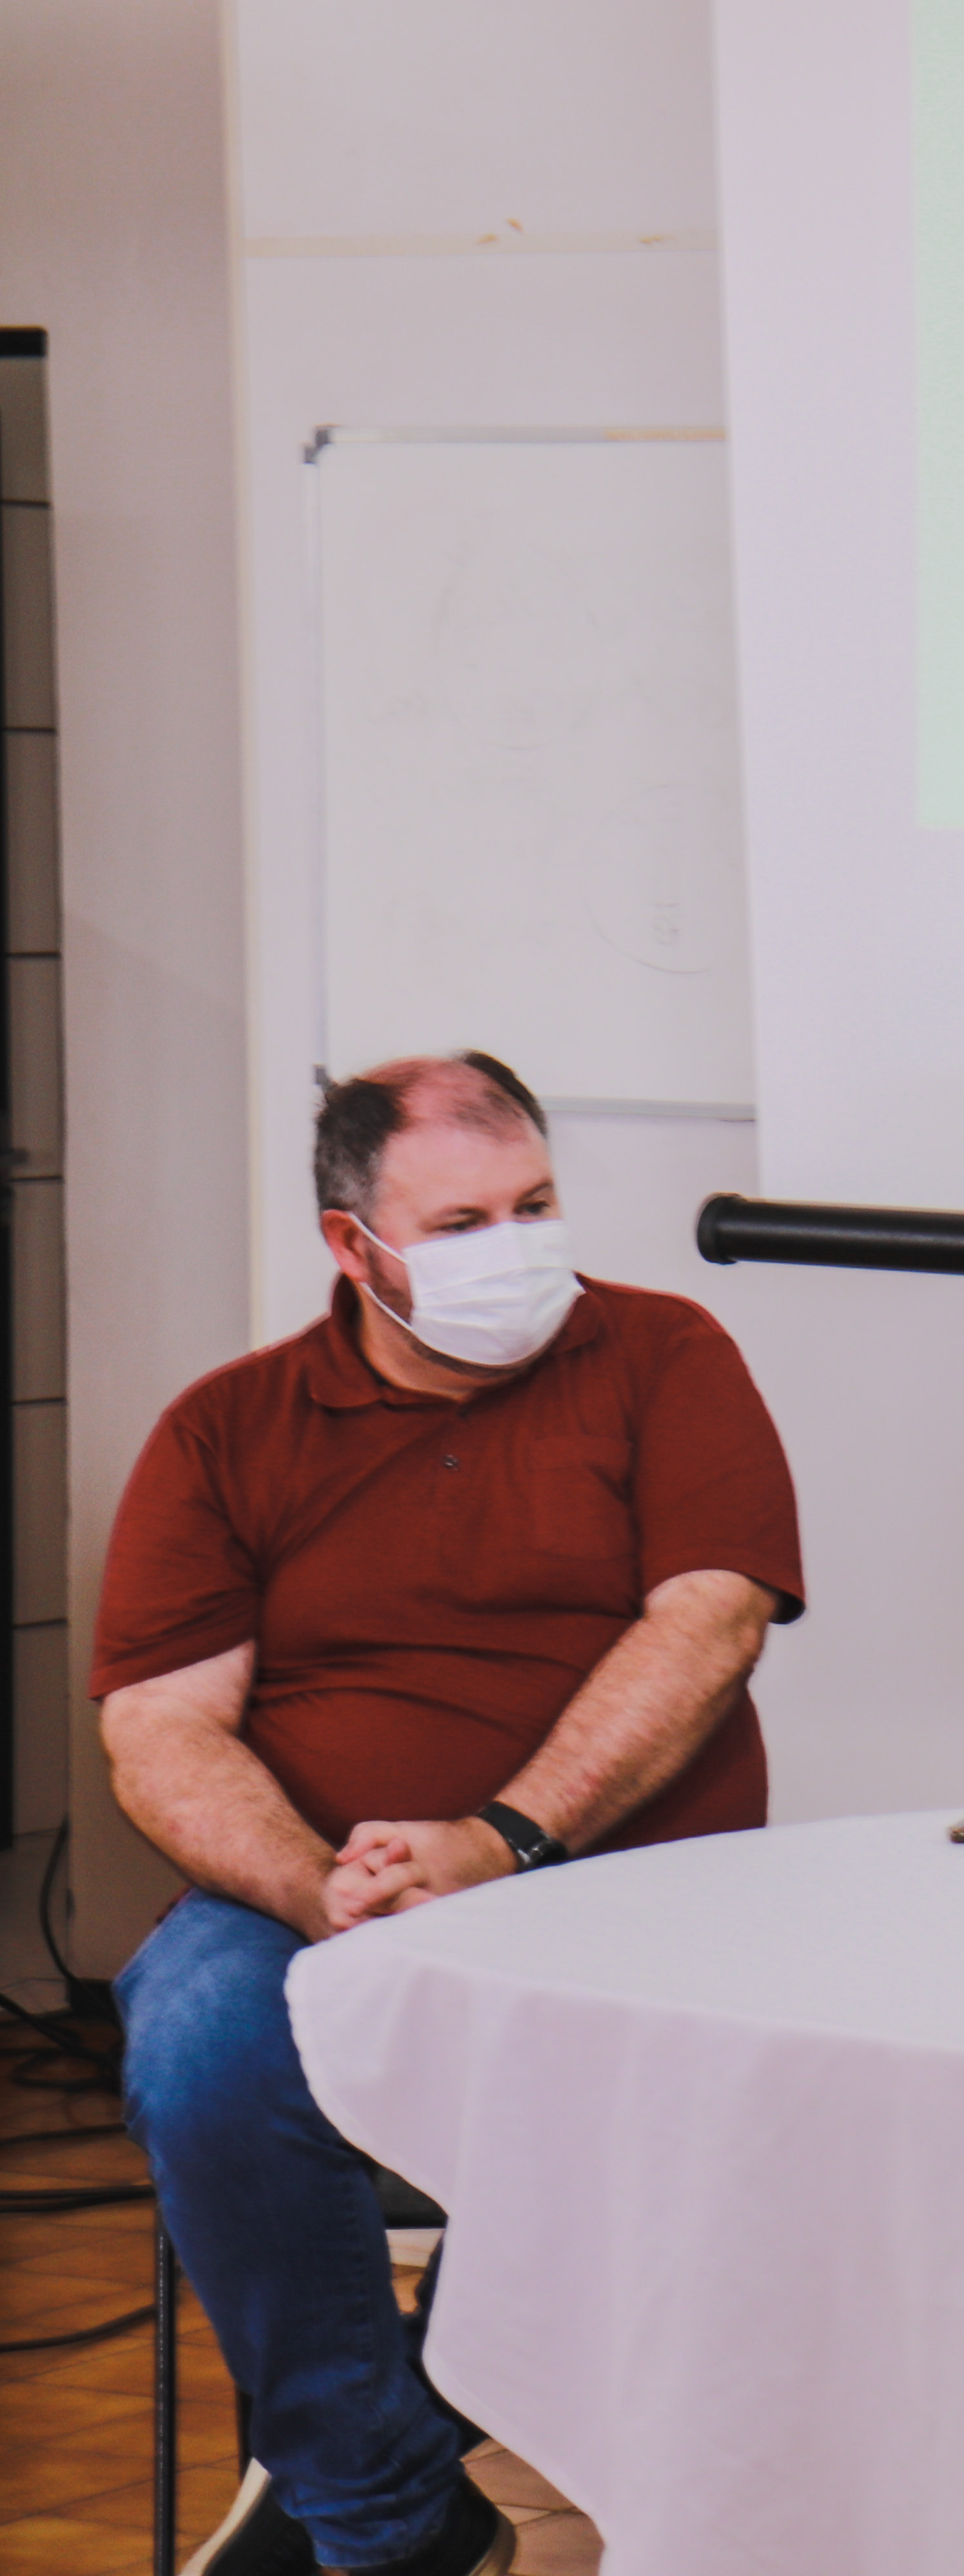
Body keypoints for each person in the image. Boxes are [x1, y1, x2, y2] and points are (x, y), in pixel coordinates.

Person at [96, 1052, 804, 2576]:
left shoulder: (665, 1352)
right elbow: (158, 1727)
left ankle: (382, 2468)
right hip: (323, 1891)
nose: (518, 1247)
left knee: (673, 2101)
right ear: (353, 1247)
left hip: (623, 1882)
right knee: (198, 2040)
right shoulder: (229, 1428)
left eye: (535, 1203)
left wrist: (501, 1841)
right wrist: (316, 1888)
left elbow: (712, 1619)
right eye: (465, 1221)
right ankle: (395, 2524)